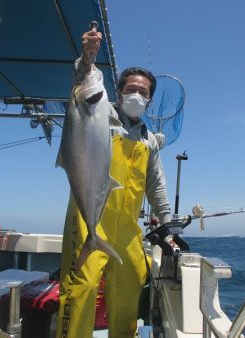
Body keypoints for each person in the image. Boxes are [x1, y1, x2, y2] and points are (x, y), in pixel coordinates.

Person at [56, 27, 172, 338]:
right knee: (80, 290)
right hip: (87, 218)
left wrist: (169, 224)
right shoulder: (102, 114)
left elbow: (156, 185)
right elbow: (81, 83)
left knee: (128, 291)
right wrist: (88, 58)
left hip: (127, 228)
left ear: (149, 100)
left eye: (143, 92)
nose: (136, 94)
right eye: (130, 88)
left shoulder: (149, 140)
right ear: (118, 92)